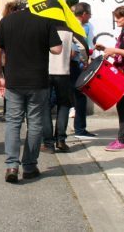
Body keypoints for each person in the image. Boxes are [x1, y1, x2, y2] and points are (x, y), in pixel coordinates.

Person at [0, 0, 62, 183]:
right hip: (38, 81)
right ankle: (29, 166)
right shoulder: (45, 20)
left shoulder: (7, 21)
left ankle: (11, 165)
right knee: (35, 123)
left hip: (14, 81)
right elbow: (57, 49)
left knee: (13, 122)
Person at [96, 5, 124, 151]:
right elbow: (123, 53)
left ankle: (123, 140)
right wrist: (105, 49)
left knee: (123, 105)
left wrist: (113, 50)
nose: (116, 20)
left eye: (119, 17)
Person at [42, 25, 77, 153]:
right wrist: (84, 60)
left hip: (46, 71)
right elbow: (83, 46)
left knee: (45, 106)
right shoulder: (70, 29)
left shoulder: (45, 27)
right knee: (64, 105)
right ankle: (61, 140)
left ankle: (48, 143)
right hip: (64, 72)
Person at [72, 2, 96, 139]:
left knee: (60, 98)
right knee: (79, 97)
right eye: (90, 14)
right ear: (84, 14)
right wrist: (85, 59)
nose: (90, 18)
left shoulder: (71, 23)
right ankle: (80, 129)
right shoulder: (77, 26)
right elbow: (77, 48)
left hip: (69, 65)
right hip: (73, 65)